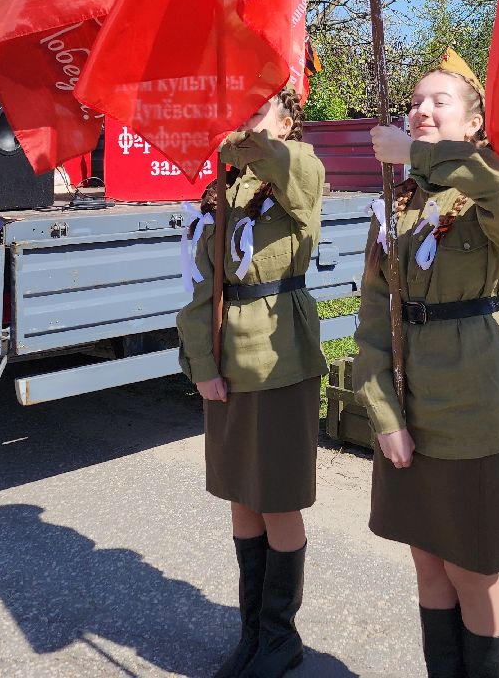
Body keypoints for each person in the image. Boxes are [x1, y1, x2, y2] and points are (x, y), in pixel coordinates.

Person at [353, 49, 499, 678]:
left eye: (441, 102)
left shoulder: (493, 190)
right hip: (410, 403)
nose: (422, 111)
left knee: (471, 569)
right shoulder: (392, 206)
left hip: (473, 403)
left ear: (475, 123)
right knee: (428, 562)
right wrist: (382, 413)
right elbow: (375, 319)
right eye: (416, 101)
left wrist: (416, 153)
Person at [176, 86, 324, 678]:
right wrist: (204, 367)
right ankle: (253, 636)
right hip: (228, 359)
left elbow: (280, 162)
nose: (244, 125)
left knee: (277, 499)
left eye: (259, 111)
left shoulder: (299, 168)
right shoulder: (223, 189)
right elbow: (198, 290)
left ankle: (281, 640)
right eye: (238, 113)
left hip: (279, 358)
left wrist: (235, 137)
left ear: (287, 121)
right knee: (241, 497)